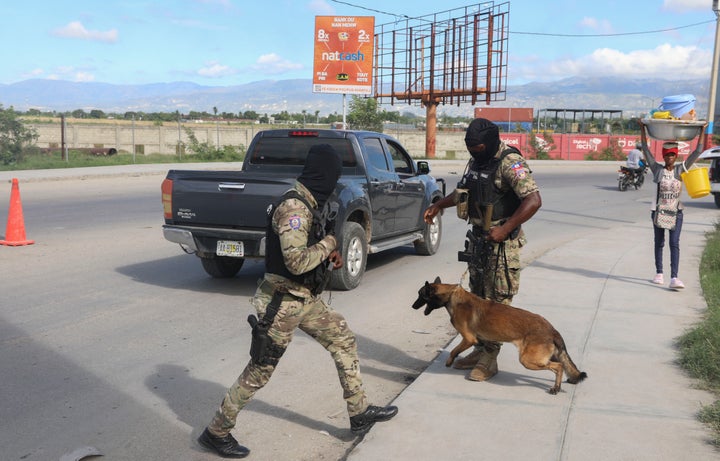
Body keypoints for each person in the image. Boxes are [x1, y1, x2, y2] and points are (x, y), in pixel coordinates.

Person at [198, 144, 398, 459]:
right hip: (283, 302)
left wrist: (328, 253)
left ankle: (359, 413)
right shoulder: (294, 208)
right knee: (260, 370)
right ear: (322, 173)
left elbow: (311, 250)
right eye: (333, 174)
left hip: (305, 298)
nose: (334, 181)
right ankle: (215, 432)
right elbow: (296, 261)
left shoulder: (312, 202)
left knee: (343, 339)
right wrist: (332, 242)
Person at [423, 118, 542, 382]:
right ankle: (479, 350)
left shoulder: (510, 162)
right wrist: (439, 205)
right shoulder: (478, 161)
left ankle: (490, 358)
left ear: (488, 143)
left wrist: (505, 228)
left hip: (502, 245)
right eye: (469, 147)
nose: (473, 152)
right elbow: (463, 192)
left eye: (476, 147)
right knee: (476, 301)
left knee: (497, 305)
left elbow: (533, 200)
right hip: (479, 241)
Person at [638, 121, 707, 290]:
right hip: (658, 211)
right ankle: (659, 272)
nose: (669, 157)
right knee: (659, 242)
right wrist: (643, 128)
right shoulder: (657, 170)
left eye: (672, 155)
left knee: (674, 243)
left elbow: (698, 151)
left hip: (676, 212)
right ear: (663, 156)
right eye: (667, 155)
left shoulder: (680, 170)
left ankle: (674, 277)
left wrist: (701, 131)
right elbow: (646, 150)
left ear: (676, 156)